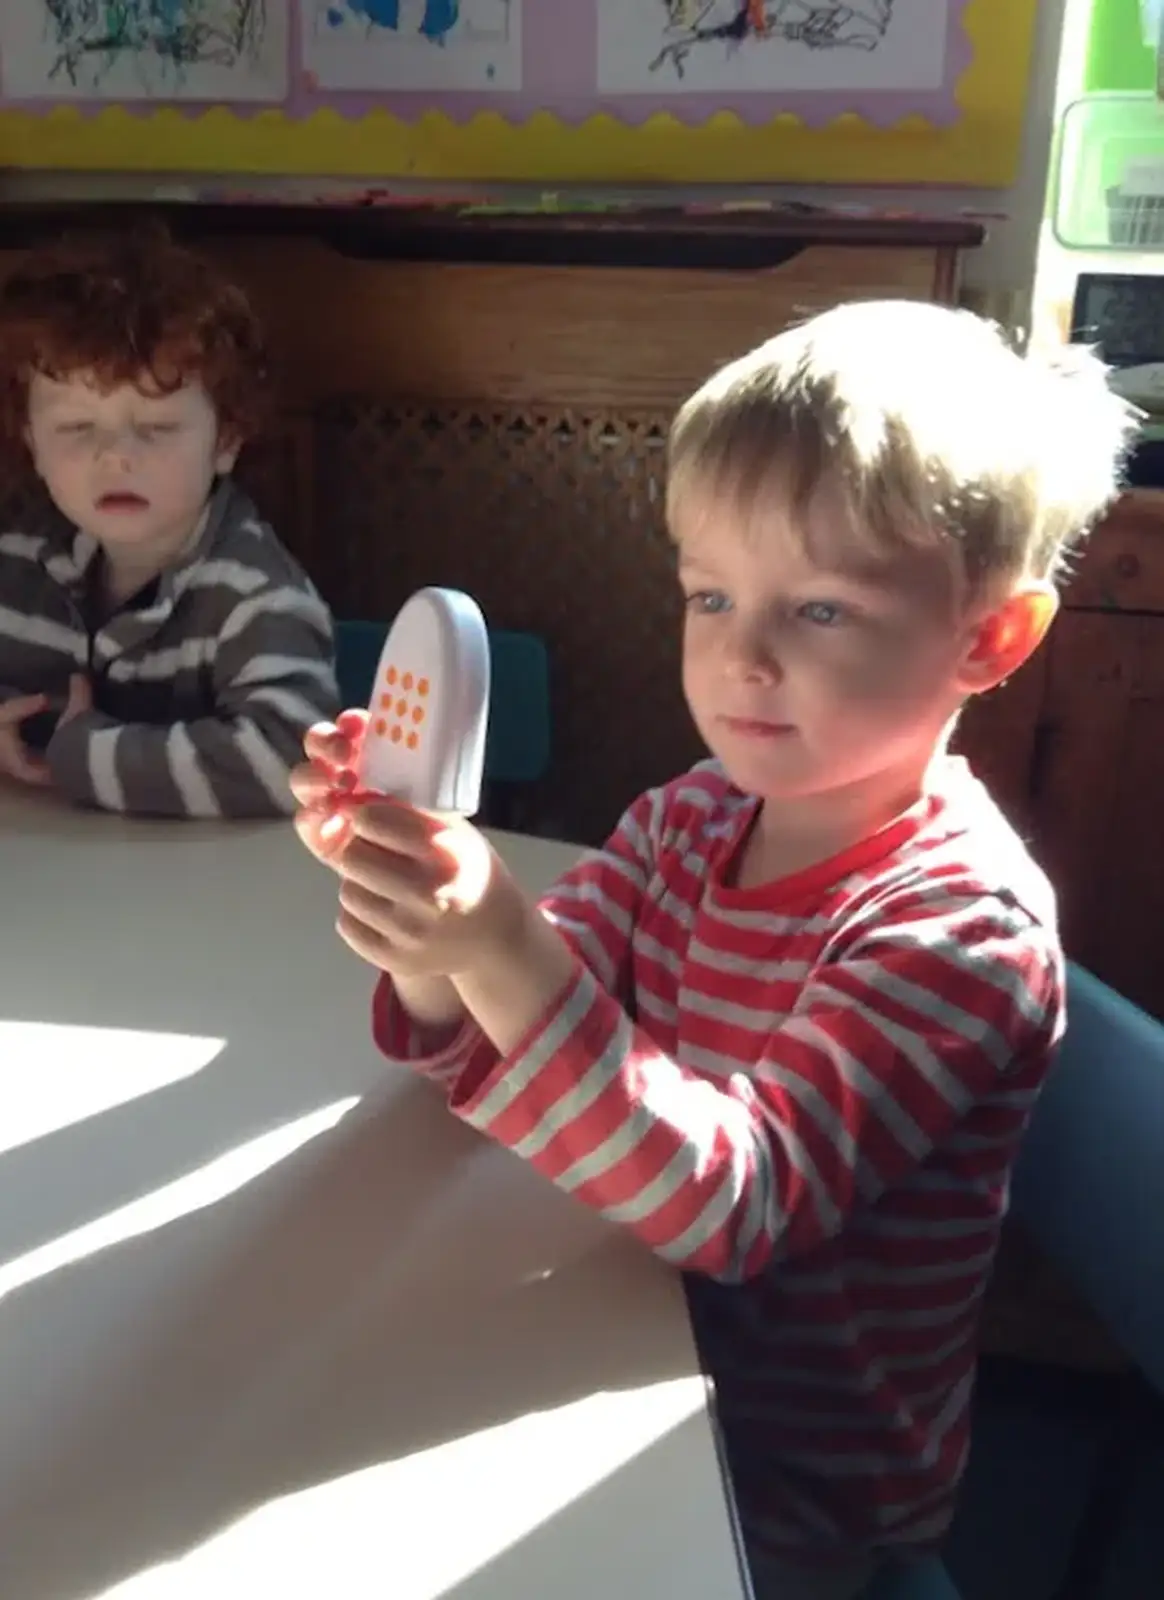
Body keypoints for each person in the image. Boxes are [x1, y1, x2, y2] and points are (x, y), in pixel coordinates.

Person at [290, 301, 1135, 1598]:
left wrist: (498, 939)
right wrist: (422, 914)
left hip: (778, 1485)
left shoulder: (957, 931)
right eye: (710, 594)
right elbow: (499, 1024)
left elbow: (731, 1211)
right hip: (620, 1350)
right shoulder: (689, 821)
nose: (741, 655)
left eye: (823, 610)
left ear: (989, 640)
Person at [0, 225, 338, 817]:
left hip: (204, 902)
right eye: (77, 429)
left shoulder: (257, 597)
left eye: (156, 428)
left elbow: (294, 763)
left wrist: (86, 758)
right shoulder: (16, 559)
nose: (116, 456)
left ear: (226, 440)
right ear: (32, 442)